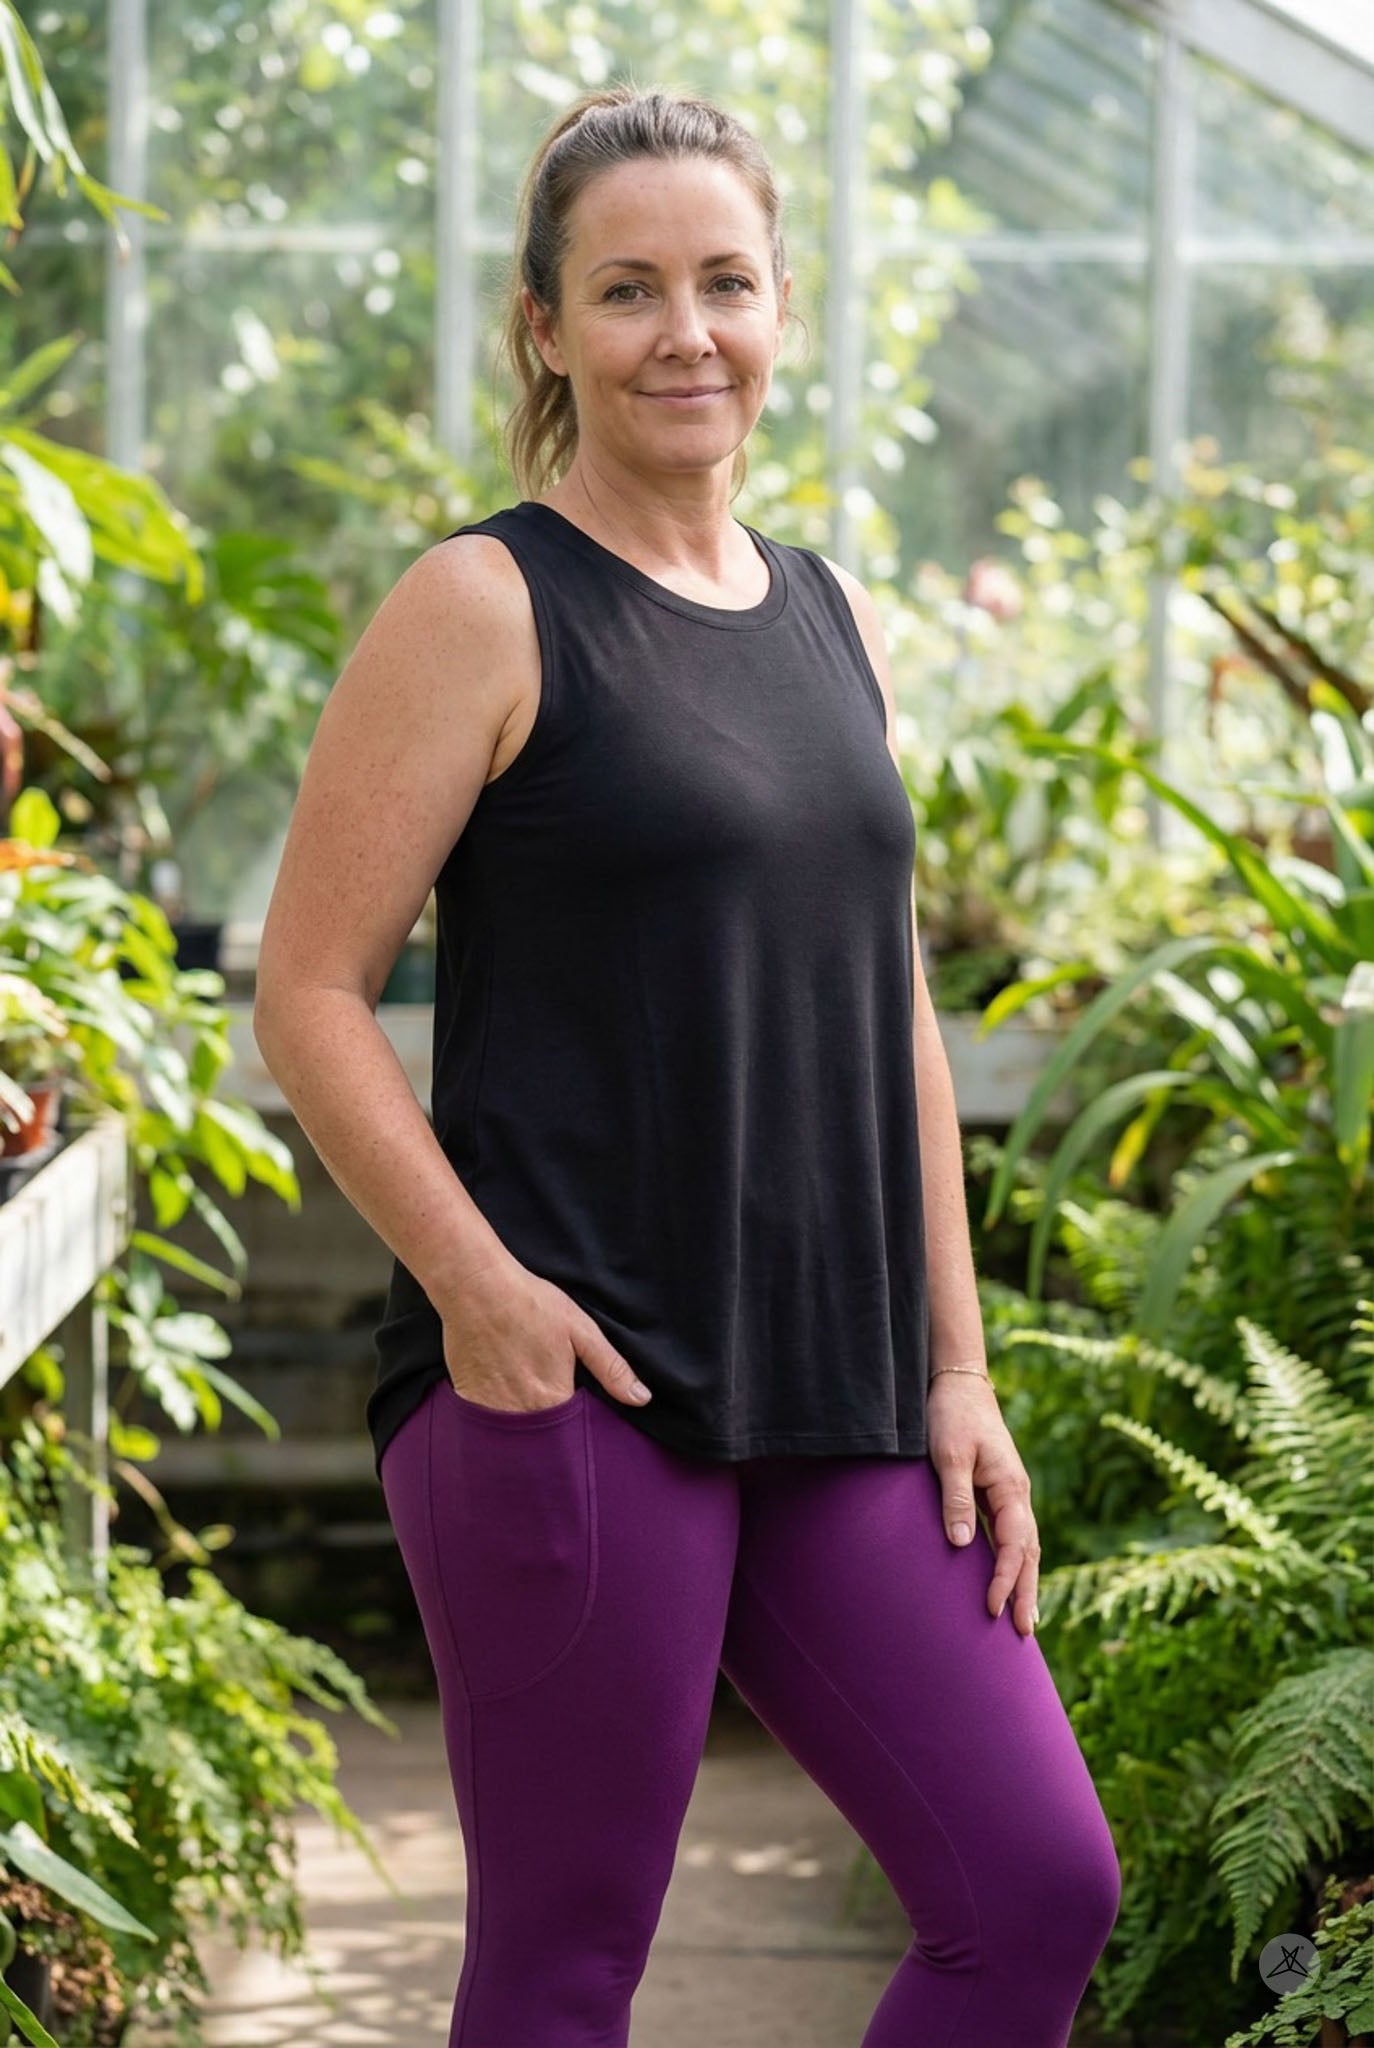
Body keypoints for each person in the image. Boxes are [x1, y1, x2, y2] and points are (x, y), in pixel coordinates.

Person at [254, 82, 1122, 2048]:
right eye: (627, 288)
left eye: (725, 282)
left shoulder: (832, 616)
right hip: (573, 1383)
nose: (686, 332)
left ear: (783, 306)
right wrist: (481, 1293)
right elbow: (309, 987)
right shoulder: (482, 603)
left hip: (836, 1386)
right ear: (547, 327)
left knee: (1037, 1886)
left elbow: (886, 1005)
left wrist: (958, 1370)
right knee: (564, 1970)